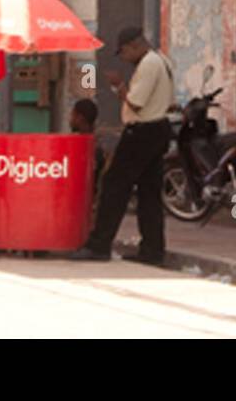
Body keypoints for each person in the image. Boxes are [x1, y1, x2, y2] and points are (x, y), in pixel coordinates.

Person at [71, 25, 174, 266]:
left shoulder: (149, 64)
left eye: (124, 52)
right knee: (149, 193)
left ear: (134, 45)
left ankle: (99, 245)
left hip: (141, 132)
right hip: (158, 129)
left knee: (114, 186)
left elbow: (136, 103)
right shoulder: (163, 60)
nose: (124, 58)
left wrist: (119, 86)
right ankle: (152, 250)